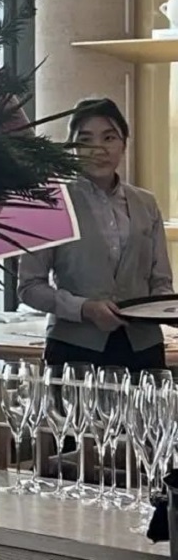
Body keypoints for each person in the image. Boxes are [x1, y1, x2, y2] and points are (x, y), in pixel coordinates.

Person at [18, 97, 173, 372]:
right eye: (86, 140)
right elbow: (29, 288)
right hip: (75, 349)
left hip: (144, 348)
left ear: (124, 144)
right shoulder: (51, 202)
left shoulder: (146, 203)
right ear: (72, 147)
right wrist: (84, 308)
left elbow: (161, 282)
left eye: (109, 138)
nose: (98, 149)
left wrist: (167, 309)